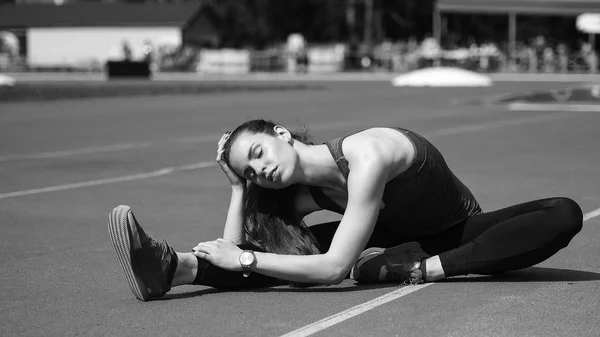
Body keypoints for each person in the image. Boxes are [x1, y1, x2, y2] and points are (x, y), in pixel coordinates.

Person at [108, 119, 583, 301]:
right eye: (249, 172)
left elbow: (334, 269)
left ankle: (423, 268)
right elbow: (237, 248)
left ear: (281, 134)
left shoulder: (367, 155)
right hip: (383, 233)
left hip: (453, 232)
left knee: (563, 212)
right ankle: (171, 268)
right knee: (288, 252)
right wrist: (237, 189)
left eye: (256, 154)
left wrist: (248, 260)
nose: (260, 171)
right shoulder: (301, 193)